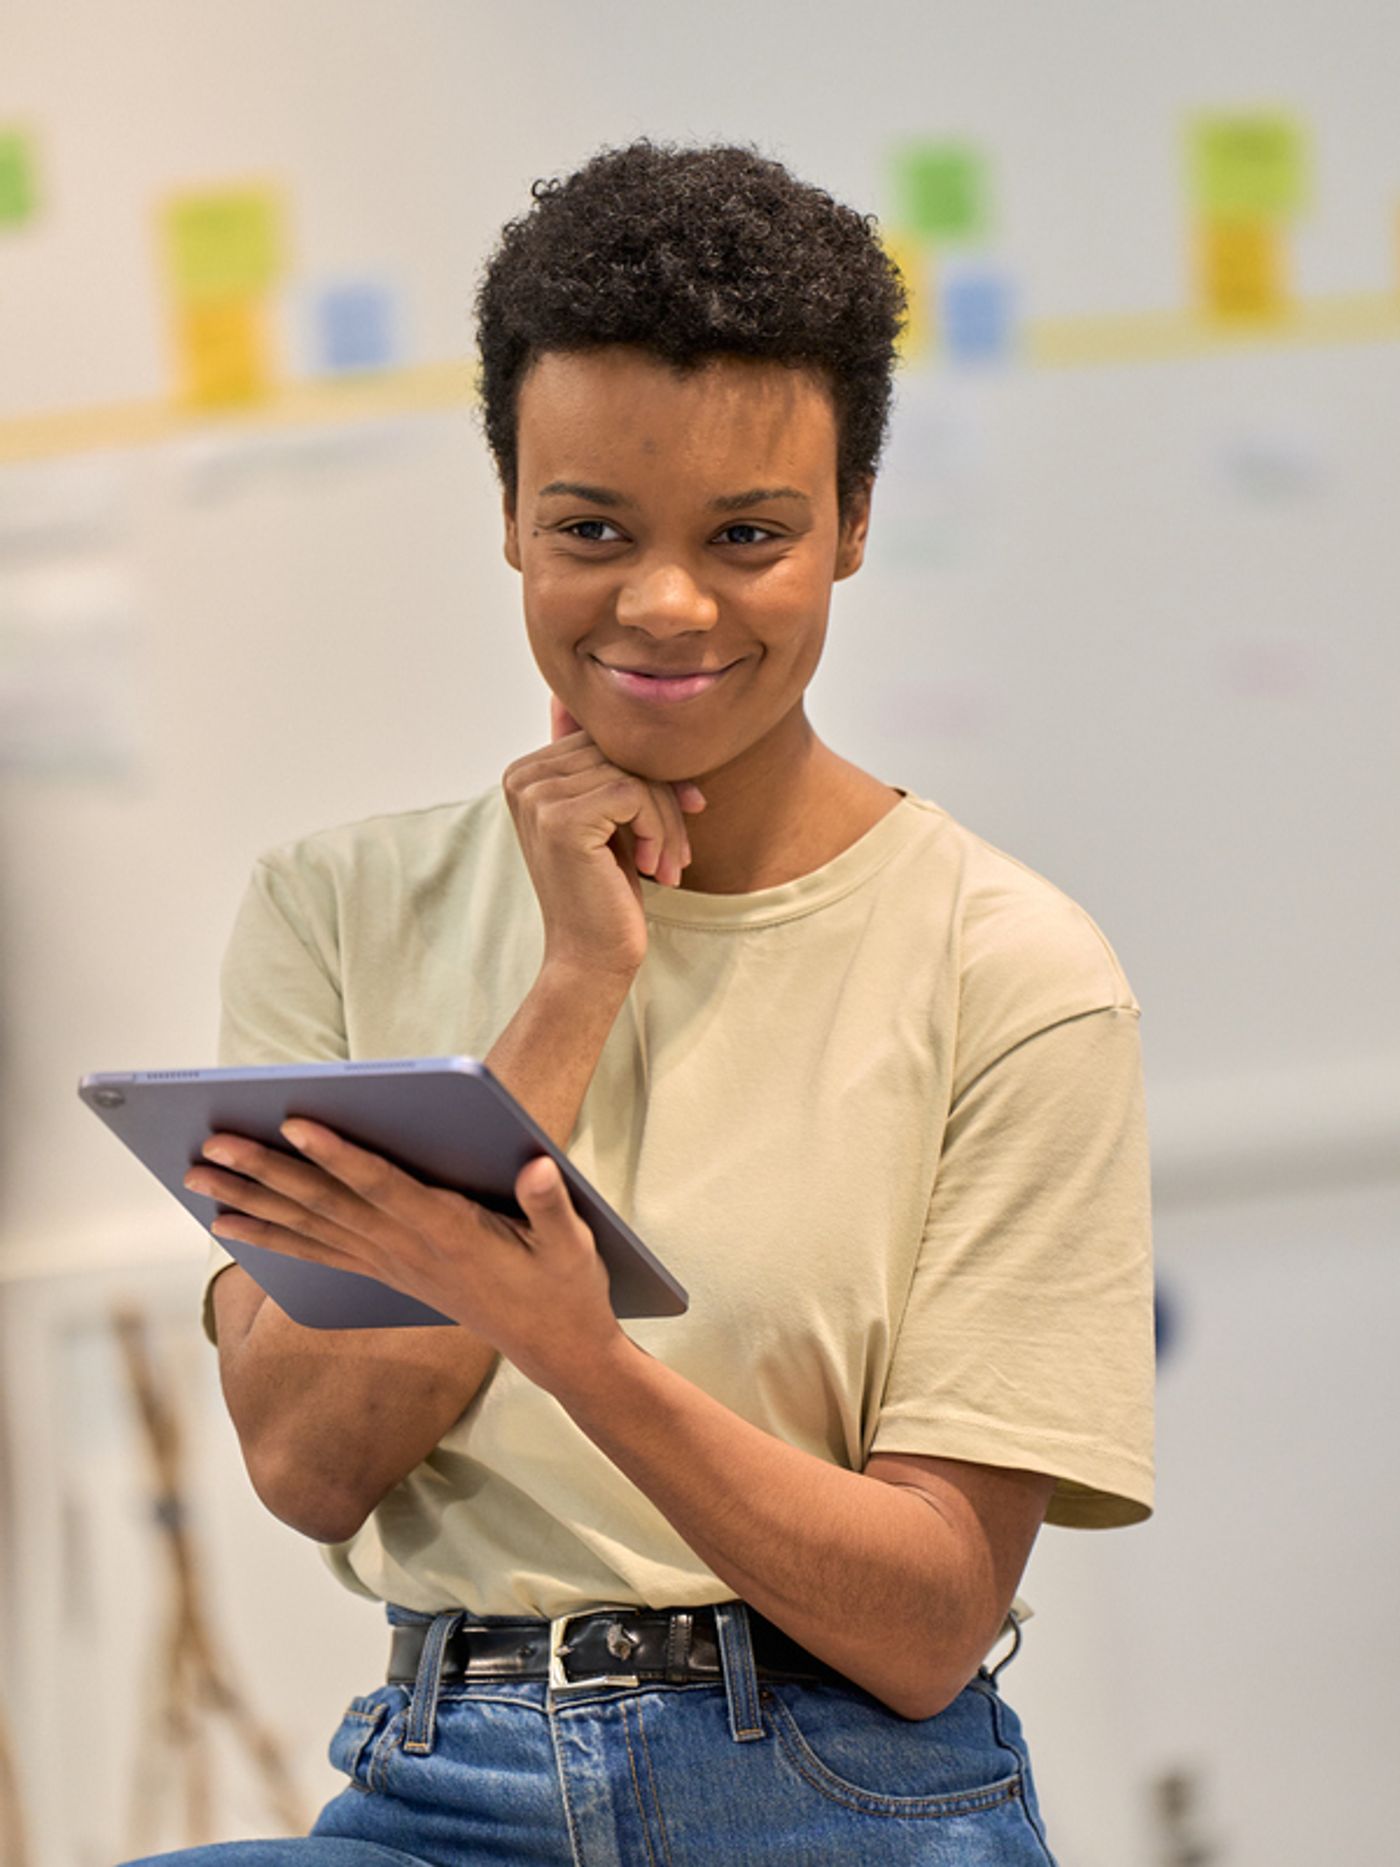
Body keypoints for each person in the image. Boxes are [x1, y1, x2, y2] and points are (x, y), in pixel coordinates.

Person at [124, 139, 1153, 1866]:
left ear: (852, 527)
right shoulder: (337, 909)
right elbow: (307, 1463)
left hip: (844, 1799)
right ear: (512, 519)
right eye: (591, 528)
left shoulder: (1014, 971)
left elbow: (923, 1623)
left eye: (748, 535)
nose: (664, 604)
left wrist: (570, 1345)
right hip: (437, 1793)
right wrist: (576, 986)